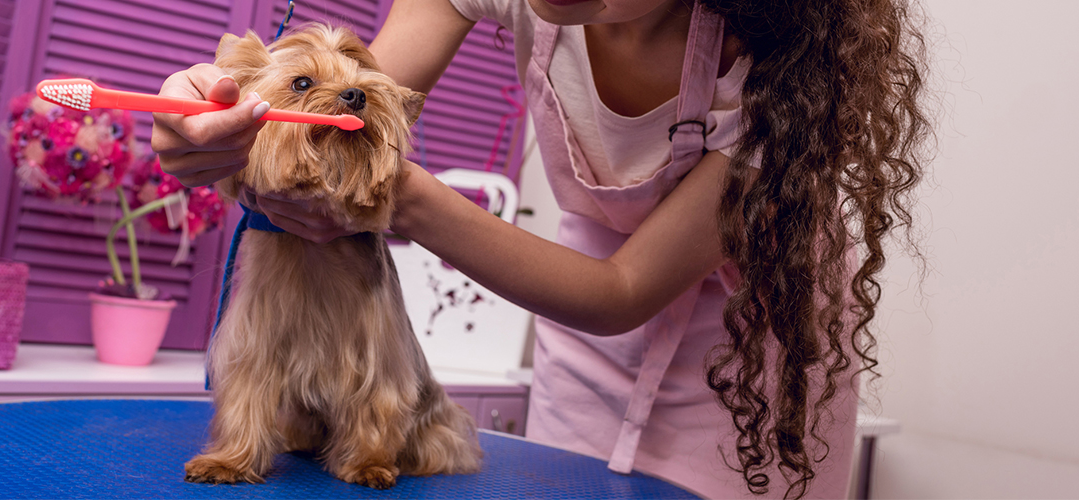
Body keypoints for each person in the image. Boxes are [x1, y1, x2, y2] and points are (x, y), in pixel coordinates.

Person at [152, 0, 931, 497]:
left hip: (754, 364)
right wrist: (230, 122)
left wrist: (407, 198)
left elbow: (623, 290)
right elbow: (346, 103)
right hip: (577, 327)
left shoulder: (780, 80)